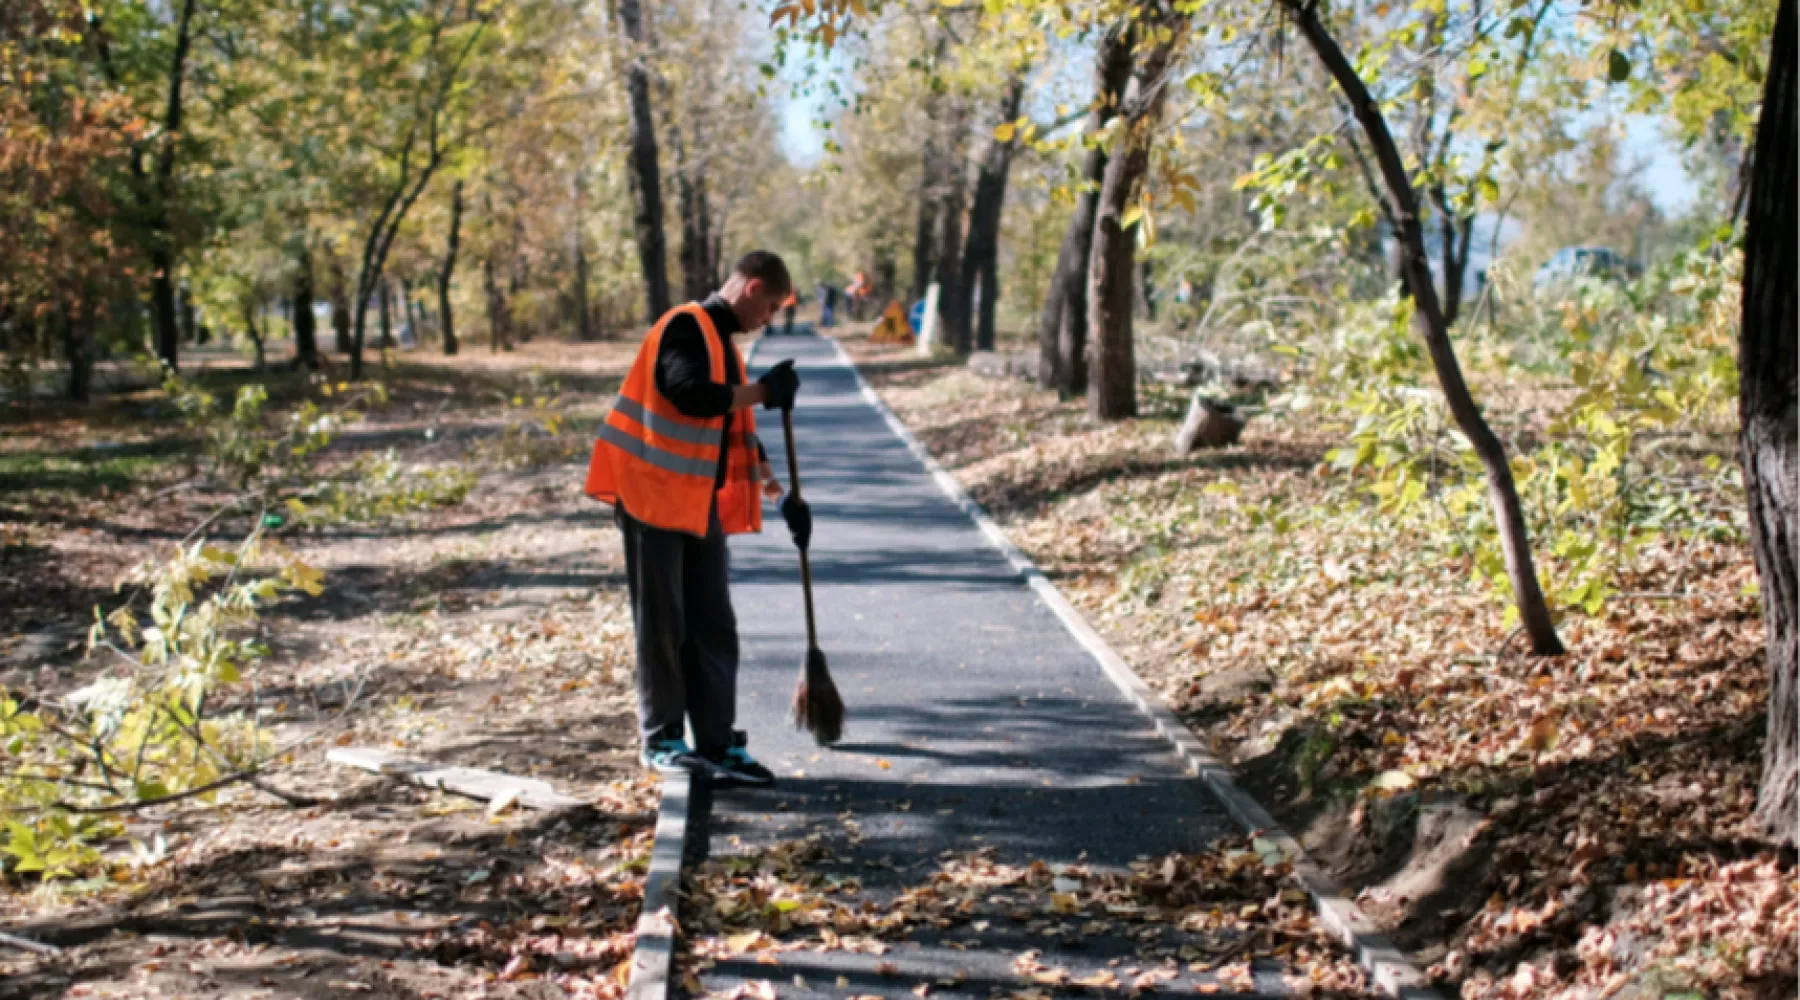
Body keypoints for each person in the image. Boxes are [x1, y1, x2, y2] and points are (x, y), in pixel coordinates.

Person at [583, 250, 813, 785]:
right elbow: (687, 395)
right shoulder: (686, 327)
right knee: (664, 625)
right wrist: (763, 391)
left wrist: (781, 496)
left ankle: (717, 742)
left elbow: (736, 433)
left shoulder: (724, 347)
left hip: (693, 503)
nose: (771, 319)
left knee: (713, 624)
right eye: (772, 306)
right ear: (752, 288)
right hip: (650, 499)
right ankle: (662, 739)